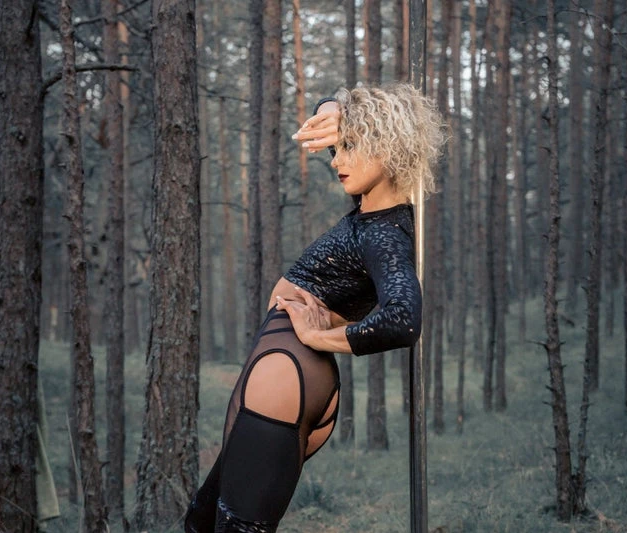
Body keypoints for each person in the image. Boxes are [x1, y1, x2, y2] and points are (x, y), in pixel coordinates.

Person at [185, 83, 446, 532]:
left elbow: (404, 320)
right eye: (337, 148)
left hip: (287, 374)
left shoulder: (384, 233)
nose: (336, 160)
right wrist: (334, 111)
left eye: (350, 147)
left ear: (388, 148)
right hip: (287, 371)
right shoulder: (370, 205)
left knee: (234, 527)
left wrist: (315, 337)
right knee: (202, 520)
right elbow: (330, 100)